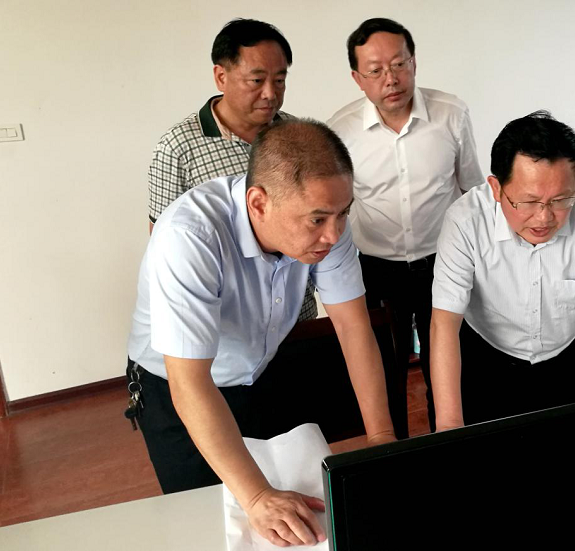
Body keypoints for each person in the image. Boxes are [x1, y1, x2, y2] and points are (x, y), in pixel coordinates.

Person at [127, 119, 396, 547]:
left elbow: (353, 326)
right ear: (258, 203)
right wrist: (256, 496)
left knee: (295, 516)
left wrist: (382, 441)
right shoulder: (189, 237)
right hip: (177, 386)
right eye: (318, 220)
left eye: (344, 213)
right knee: (210, 521)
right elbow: (189, 382)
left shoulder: (327, 219)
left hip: (259, 367)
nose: (334, 234)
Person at [430, 111, 575, 430]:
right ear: (496, 188)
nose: (544, 218)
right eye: (529, 202)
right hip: (487, 357)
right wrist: (449, 425)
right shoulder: (465, 221)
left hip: (563, 357)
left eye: (560, 200)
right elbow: (444, 323)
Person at [327, 18, 484, 433]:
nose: (391, 79)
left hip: (443, 261)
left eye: (399, 64)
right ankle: (392, 453)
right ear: (357, 78)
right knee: (383, 373)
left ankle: (446, 445)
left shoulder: (451, 114)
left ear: (414, 62)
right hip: (376, 268)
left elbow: (472, 191)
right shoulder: (341, 131)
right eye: (375, 70)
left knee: (448, 369)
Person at [148, 18, 317, 321]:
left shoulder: (299, 136)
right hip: (226, 327)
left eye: (280, 80)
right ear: (221, 76)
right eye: (257, 80)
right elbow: (164, 247)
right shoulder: (178, 147)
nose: (270, 93)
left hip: (297, 317)